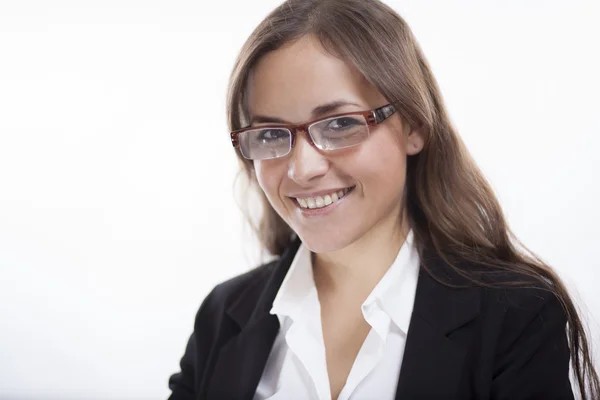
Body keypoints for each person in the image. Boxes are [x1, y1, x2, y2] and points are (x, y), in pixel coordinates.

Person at [168, 0, 599, 399]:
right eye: (269, 134)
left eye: (338, 124)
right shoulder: (222, 317)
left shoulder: (516, 316)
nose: (302, 169)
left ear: (413, 124)